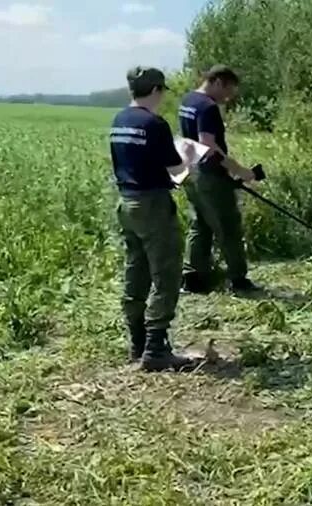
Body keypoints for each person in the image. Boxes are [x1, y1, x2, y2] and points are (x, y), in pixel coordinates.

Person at [110, 66, 198, 372]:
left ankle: (137, 342)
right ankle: (156, 349)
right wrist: (188, 154)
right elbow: (176, 169)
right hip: (152, 205)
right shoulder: (154, 123)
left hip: (127, 203)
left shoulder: (119, 120)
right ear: (157, 90)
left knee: (136, 270)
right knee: (166, 273)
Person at [178, 64, 262, 295]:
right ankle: (238, 280)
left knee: (201, 225)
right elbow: (208, 144)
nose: (227, 99)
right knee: (229, 227)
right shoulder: (207, 107)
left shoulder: (188, 100)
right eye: (227, 92)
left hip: (190, 171)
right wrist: (238, 170)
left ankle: (192, 278)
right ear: (217, 82)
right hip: (210, 174)